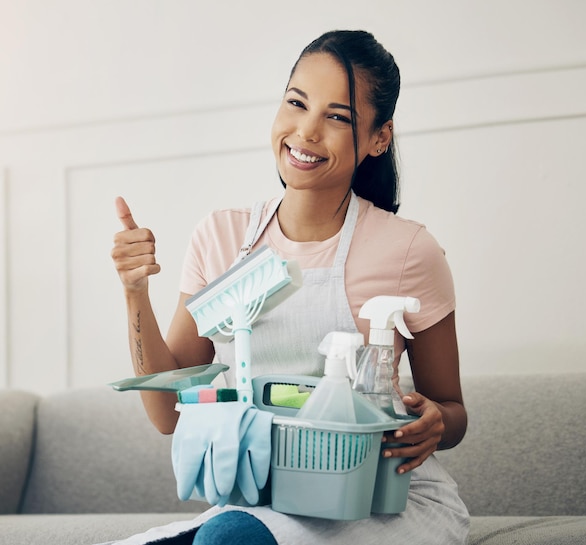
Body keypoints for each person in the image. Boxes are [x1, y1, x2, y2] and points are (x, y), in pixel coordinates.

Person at [111, 29, 469, 545]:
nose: (306, 131)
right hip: (263, 501)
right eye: (296, 103)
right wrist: (134, 292)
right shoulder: (222, 236)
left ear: (378, 137)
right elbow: (168, 415)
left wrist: (435, 422)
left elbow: (451, 412)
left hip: (384, 502)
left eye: (337, 117)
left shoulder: (409, 250)